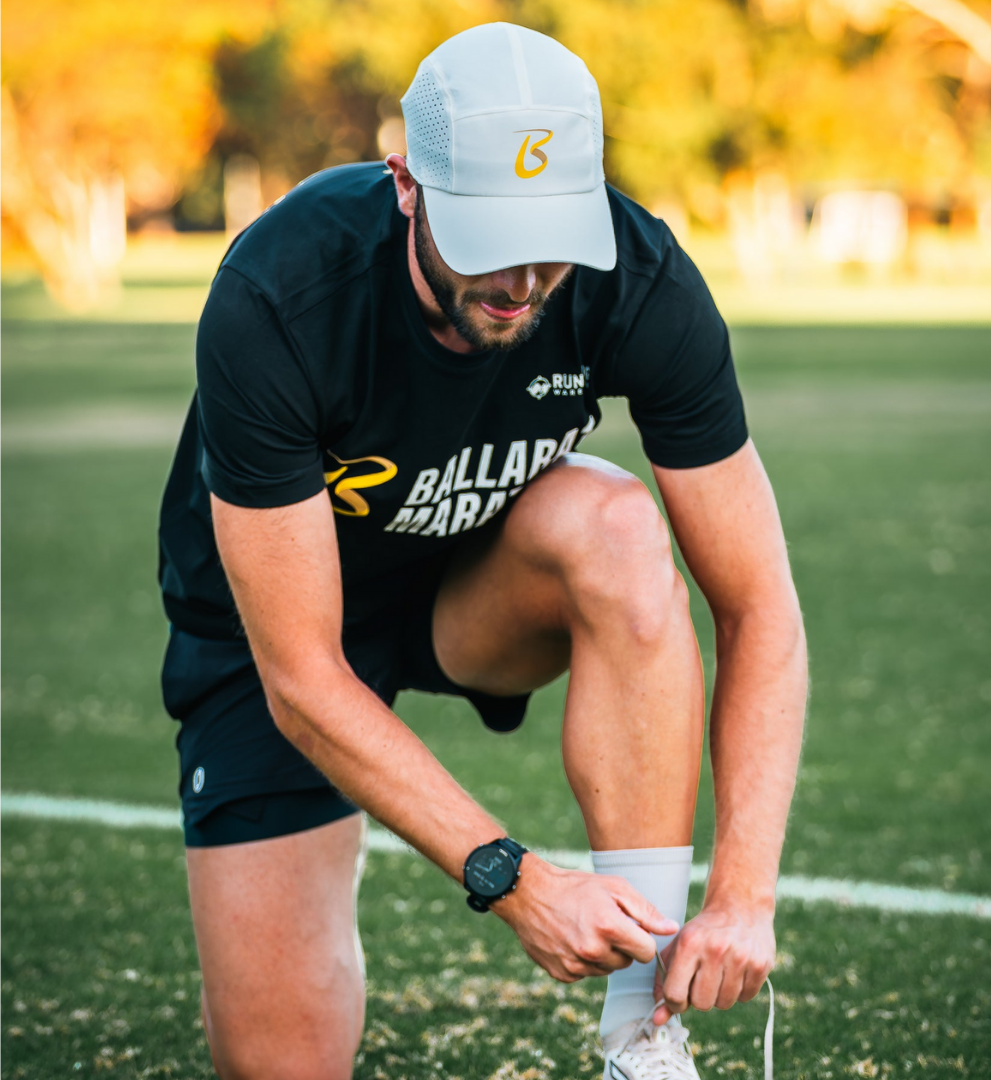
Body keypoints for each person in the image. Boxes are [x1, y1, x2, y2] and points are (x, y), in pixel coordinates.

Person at [157, 21, 806, 1080]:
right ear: (406, 185)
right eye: (489, 233)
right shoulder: (280, 294)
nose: (523, 276)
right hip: (275, 632)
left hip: (473, 585)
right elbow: (302, 676)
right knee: (282, 1066)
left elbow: (758, 603)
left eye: (551, 233)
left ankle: (642, 1034)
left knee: (616, 524)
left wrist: (744, 893)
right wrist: (515, 879)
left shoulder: (637, 277)